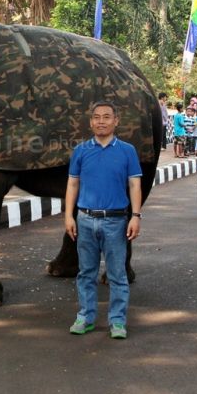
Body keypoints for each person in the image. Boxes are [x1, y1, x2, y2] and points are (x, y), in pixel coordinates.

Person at [65, 102, 142, 340]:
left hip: (116, 221)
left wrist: (136, 216)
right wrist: (68, 216)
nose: (101, 121)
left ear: (116, 121)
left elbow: (134, 184)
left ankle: (117, 321)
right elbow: (73, 183)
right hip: (85, 219)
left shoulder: (127, 151)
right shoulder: (81, 150)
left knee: (117, 274)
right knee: (86, 273)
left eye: (107, 117)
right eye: (97, 117)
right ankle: (85, 317)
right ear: (90, 122)